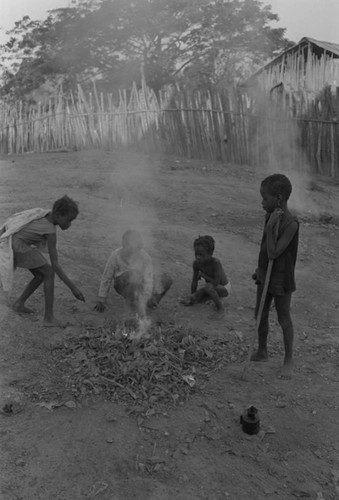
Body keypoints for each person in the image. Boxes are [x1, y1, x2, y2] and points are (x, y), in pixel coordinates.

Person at [0, 195, 85, 327]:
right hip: (17, 246)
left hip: (16, 243)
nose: (69, 225)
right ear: (58, 214)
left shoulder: (45, 214)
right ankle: (49, 318)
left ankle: (19, 303)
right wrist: (73, 288)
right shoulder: (50, 230)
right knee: (49, 272)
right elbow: (55, 265)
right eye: (68, 220)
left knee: (41, 274)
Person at [251, 173, 299, 379]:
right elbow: (264, 250)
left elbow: (274, 252)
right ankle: (262, 351)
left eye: (265, 198)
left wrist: (271, 227)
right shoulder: (268, 216)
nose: (262, 202)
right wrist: (260, 269)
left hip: (282, 277)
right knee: (259, 313)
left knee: (283, 317)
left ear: (278, 198)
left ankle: (288, 361)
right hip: (265, 273)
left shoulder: (291, 223)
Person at [94, 230, 172, 318]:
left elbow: (148, 277)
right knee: (132, 276)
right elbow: (107, 277)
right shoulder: (115, 255)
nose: (132, 251)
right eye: (129, 248)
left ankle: (149, 303)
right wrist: (102, 298)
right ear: (123, 245)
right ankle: (133, 307)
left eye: (135, 249)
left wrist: (148, 295)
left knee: (166, 279)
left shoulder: (145, 257)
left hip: (141, 284)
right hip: (122, 283)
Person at [180, 235, 230, 315]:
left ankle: (220, 309)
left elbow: (216, 282)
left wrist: (203, 275)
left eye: (201, 255)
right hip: (211, 288)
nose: (198, 257)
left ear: (210, 253)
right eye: (196, 254)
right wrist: (193, 294)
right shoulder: (196, 264)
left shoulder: (215, 263)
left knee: (208, 287)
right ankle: (201, 298)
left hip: (223, 289)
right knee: (196, 296)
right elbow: (194, 281)